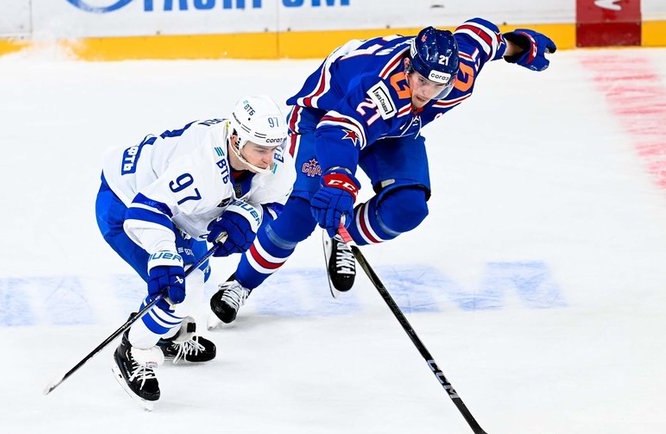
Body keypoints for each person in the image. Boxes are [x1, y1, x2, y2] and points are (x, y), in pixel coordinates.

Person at [209, 18, 556, 324]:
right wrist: (339, 181)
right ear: (408, 67)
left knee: (407, 208)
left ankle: (341, 234)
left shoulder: (460, 69)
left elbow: (482, 36)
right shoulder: (381, 89)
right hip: (323, 119)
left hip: (393, 130)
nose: (427, 94)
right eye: (421, 82)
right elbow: (339, 131)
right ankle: (240, 283)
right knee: (300, 215)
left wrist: (519, 46)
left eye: (439, 87)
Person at [95, 95, 294, 407]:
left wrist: (251, 215)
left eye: (273, 147)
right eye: (260, 149)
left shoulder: (272, 157)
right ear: (236, 138)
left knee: (198, 275)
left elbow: (276, 201)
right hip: (125, 201)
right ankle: (134, 350)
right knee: (178, 289)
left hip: (178, 210)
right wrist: (164, 256)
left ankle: (168, 333)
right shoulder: (199, 165)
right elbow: (145, 211)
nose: (269, 159)